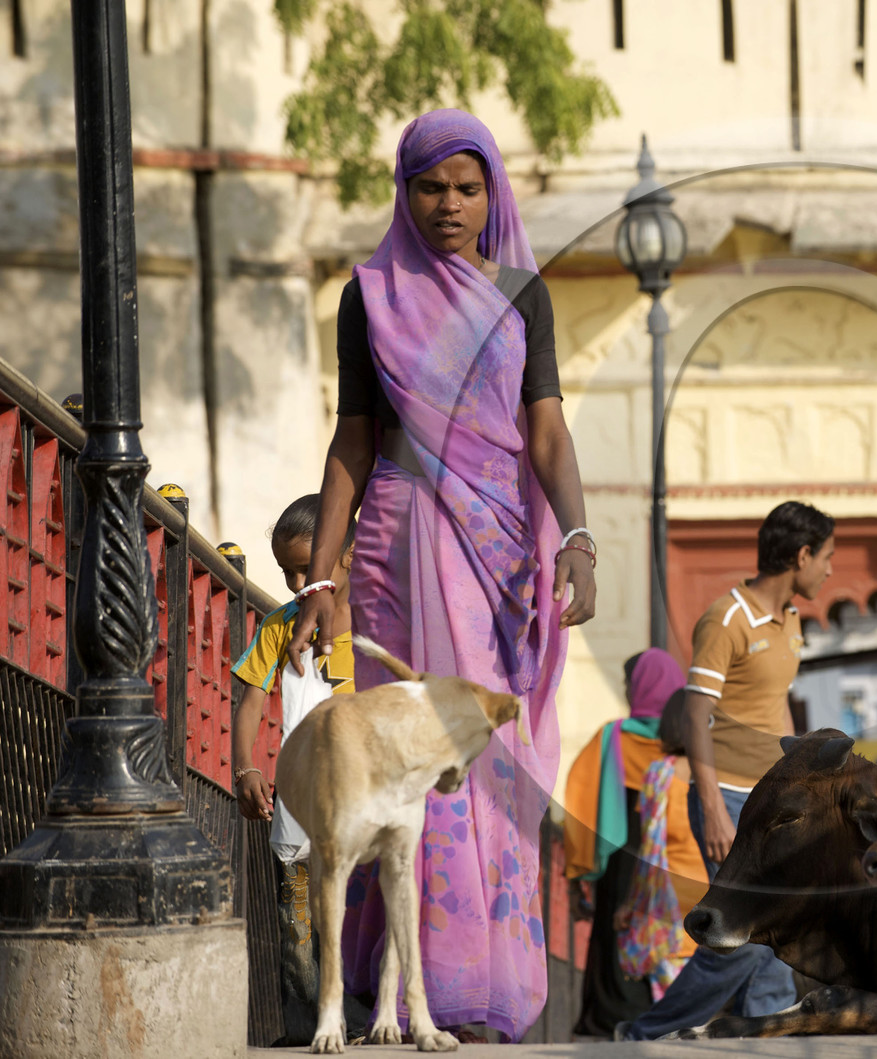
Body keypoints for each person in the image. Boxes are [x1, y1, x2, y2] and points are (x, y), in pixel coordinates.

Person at [285, 108, 597, 1044]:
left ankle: (477, 981)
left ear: (491, 190)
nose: (450, 205)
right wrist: (321, 579)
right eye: (430, 187)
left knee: (483, 762)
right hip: (394, 547)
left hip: (501, 556)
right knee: (397, 760)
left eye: (467, 187)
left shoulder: (521, 295)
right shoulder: (368, 295)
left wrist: (575, 538)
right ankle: (393, 995)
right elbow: (352, 442)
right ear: (404, 192)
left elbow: (545, 426)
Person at [618, 500, 836, 1041]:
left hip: (772, 801)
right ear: (802, 555)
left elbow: (775, 705)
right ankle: (644, 1033)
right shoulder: (727, 618)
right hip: (730, 800)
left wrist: (800, 777)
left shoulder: (790, 620)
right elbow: (695, 715)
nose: (830, 570)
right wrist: (712, 808)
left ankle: (763, 1039)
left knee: (776, 932)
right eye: (827, 557)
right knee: (735, 936)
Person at [230, 494, 368, 1046]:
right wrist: (245, 769)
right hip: (299, 794)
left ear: (350, 554)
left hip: (366, 793)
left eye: (306, 570)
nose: (294, 585)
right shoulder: (281, 626)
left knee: (357, 907)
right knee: (297, 910)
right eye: (286, 572)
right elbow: (250, 701)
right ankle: (302, 1020)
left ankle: (358, 1011)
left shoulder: (385, 621)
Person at [562, 652, 707, 1037]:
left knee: (617, 937)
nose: (627, 691)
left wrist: (580, 871)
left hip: (623, 863)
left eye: (628, 684)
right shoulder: (692, 747)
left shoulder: (613, 738)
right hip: (681, 866)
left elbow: (582, 805)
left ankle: (613, 1020)